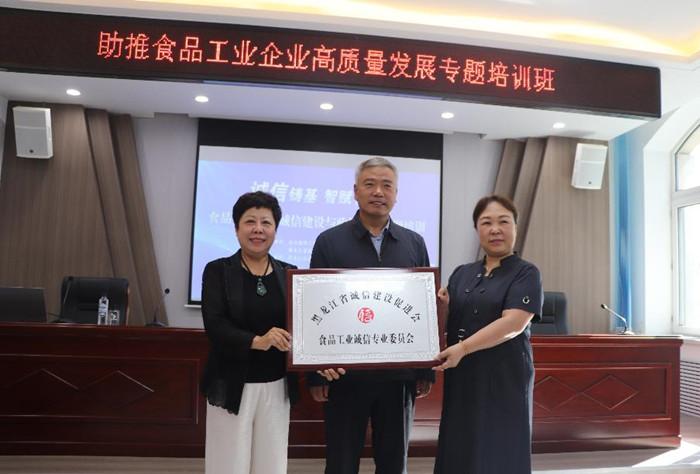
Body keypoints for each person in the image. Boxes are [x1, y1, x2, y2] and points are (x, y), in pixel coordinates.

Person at [308, 157, 434, 474]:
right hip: (344, 375)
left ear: (396, 194)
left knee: (393, 462)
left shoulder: (414, 242)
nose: (378, 192)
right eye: (370, 184)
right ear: (355, 191)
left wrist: (425, 368)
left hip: (398, 376)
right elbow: (314, 306)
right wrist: (316, 373)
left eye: (386, 185)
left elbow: (423, 306)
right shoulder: (329, 241)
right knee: (341, 461)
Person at [432, 195, 543, 474]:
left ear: (515, 227)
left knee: (499, 447)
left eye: (503, 222)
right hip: (463, 375)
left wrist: (463, 348)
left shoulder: (526, 273)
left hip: (504, 377)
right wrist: (441, 306)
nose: (495, 229)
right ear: (477, 229)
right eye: (486, 223)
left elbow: (514, 323)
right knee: (459, 444)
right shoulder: (461, 273)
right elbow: (448, 322)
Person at [200, 191, 299, 474]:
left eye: (266, 222)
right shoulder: (218, 271)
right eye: (250, 221)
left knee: (272, 464)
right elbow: (215, 325)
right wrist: (258, 341)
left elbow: (302, 326)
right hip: (232, 383)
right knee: (228, 464)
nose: (258, 229)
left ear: (275, 230)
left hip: (277, 385)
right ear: (236, 228)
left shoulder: (289, 273)